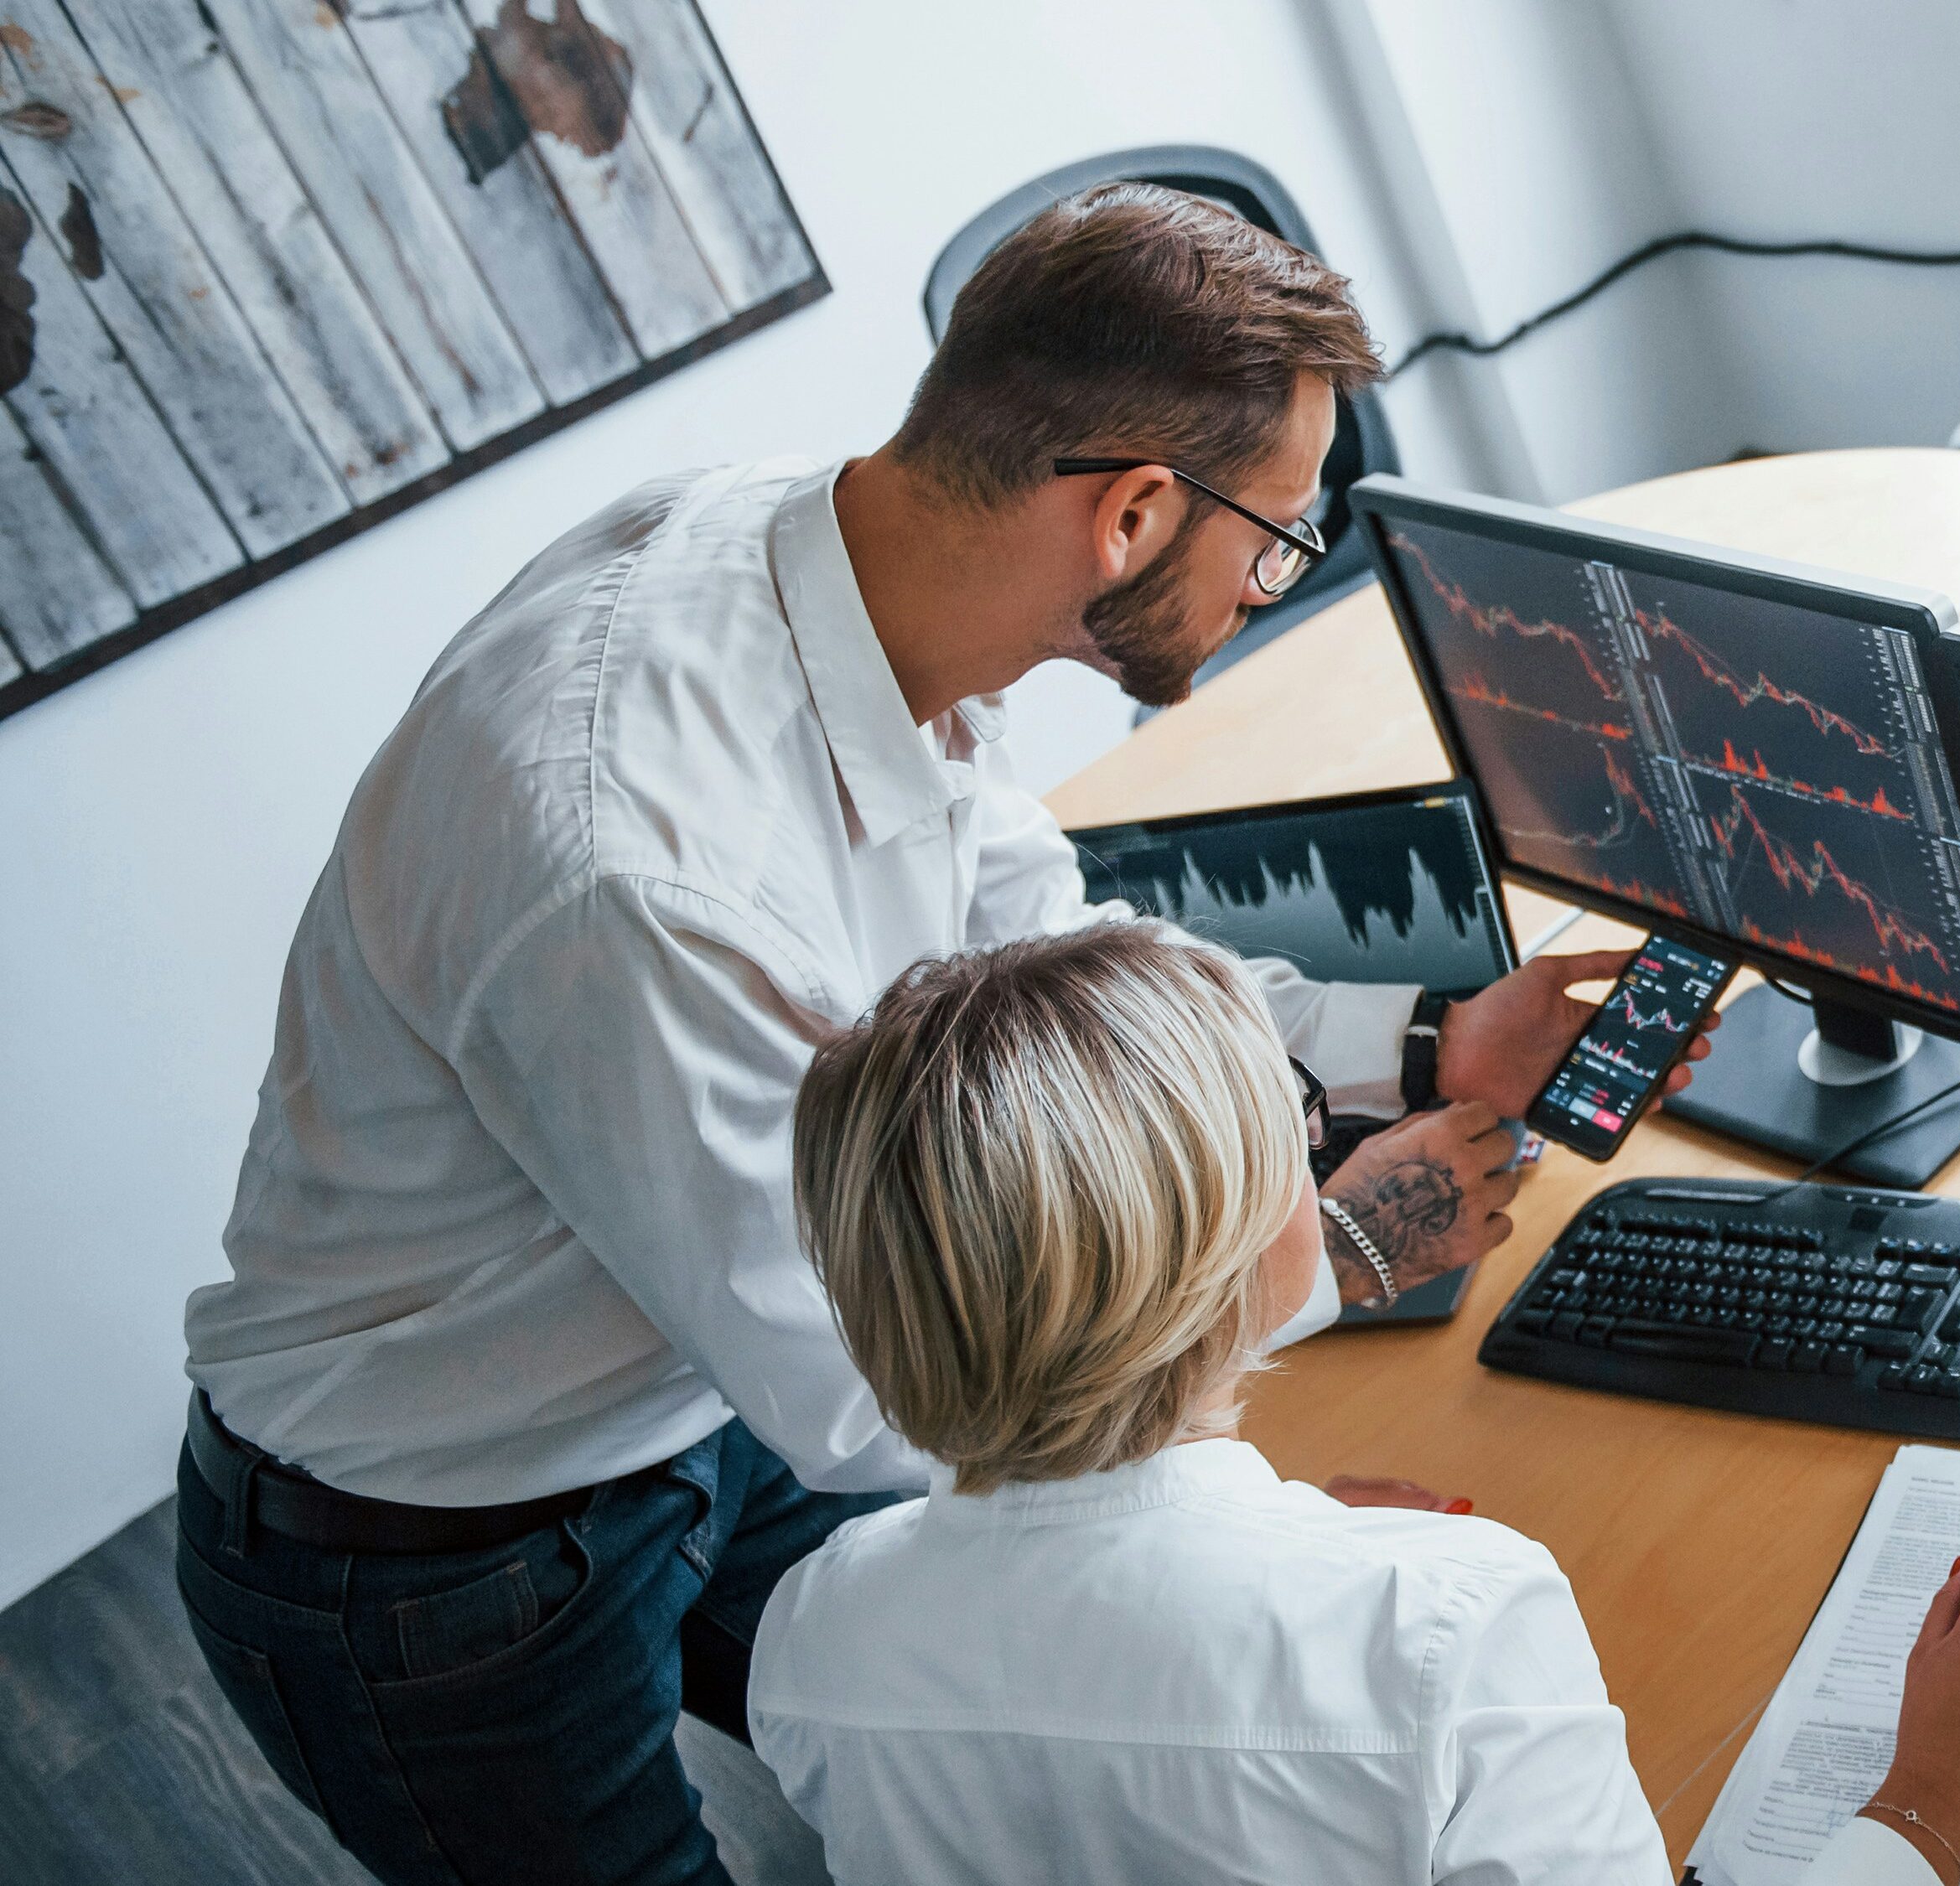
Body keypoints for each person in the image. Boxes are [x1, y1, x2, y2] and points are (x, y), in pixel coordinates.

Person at [174, 184, 1694, 1885]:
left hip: (704, 1394)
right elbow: (896, 1385)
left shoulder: (847, 580)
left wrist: (1430, 1045)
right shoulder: (646, 872)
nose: (1278, 581)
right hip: (448, 1546)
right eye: (1276, 535)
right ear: (1129, 514)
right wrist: (1323, 1264)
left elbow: (1055, 965)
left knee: (986, 1764)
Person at [752, 925, 1960, 1884]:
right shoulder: (1441, 1625)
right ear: (1241, 1238)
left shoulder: (818, 1632)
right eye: (1287, 1112)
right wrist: (1935, 1799)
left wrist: (1276, 1553)